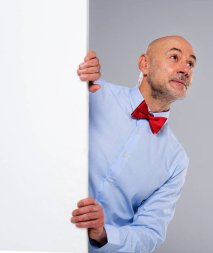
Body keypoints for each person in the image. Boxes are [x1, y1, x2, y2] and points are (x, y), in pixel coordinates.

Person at [70, 35, 197, 253]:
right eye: (174, 57)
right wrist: (73, 69)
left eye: (190, 63)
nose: (185, 69)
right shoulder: (93, 94)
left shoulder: (176, 160)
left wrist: (103, 233)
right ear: (144, 64)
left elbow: (150, 233)